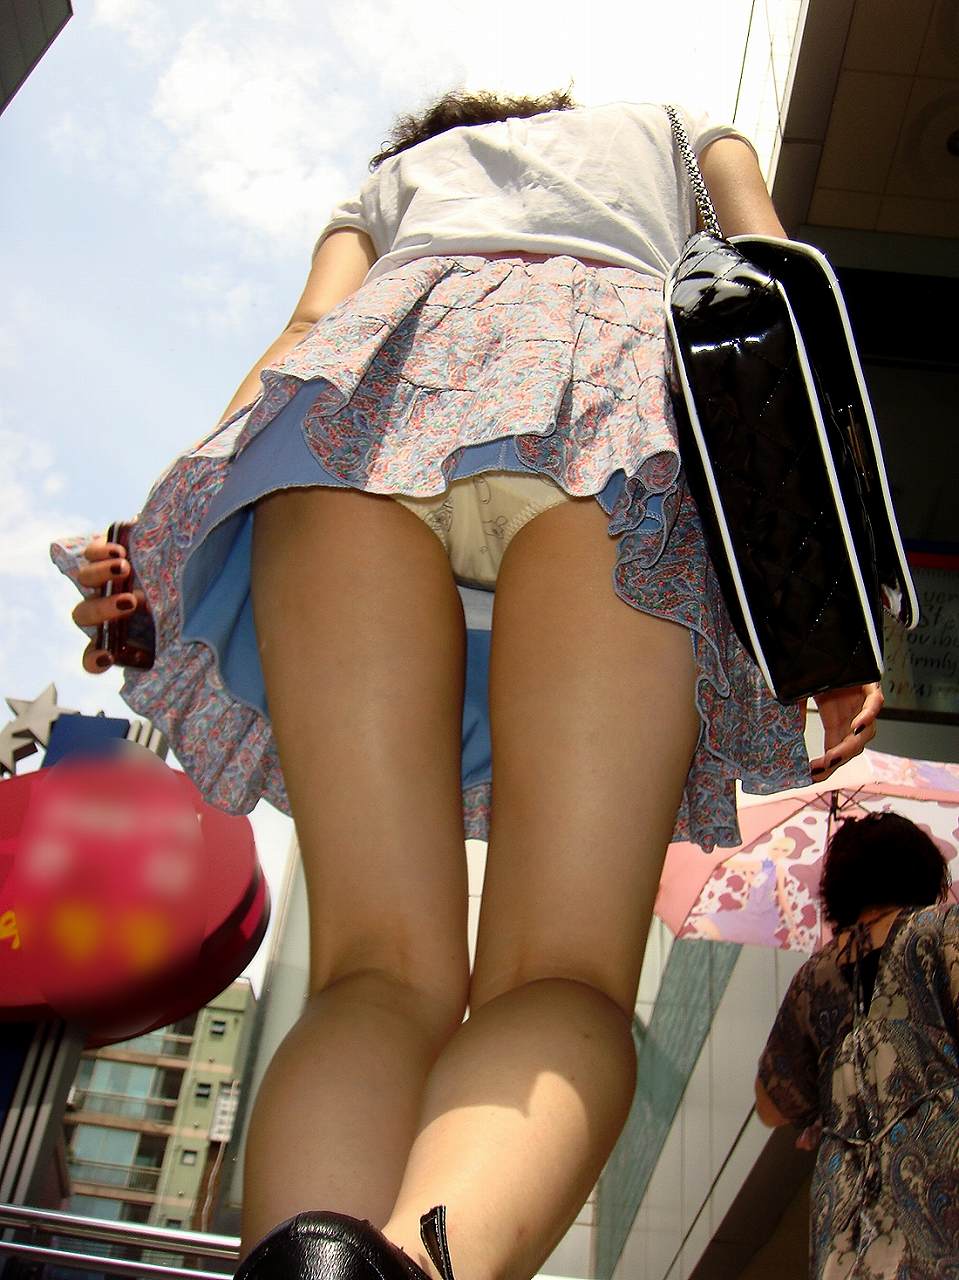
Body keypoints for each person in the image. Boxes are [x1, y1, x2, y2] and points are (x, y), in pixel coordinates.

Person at [56, 90, 882, 1280]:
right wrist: (832, 613)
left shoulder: (384, 187)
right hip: (613, 428)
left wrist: (156, 536)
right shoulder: (673, 129)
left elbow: (303, 332)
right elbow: (780, 294)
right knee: (559, 969)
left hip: (353, 426)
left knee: (370, 967)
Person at [755, 811, 959, 1279]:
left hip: (846, 1215)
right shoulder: (941, 930)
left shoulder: (813, 978)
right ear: (923, 870)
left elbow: (771, 1105)